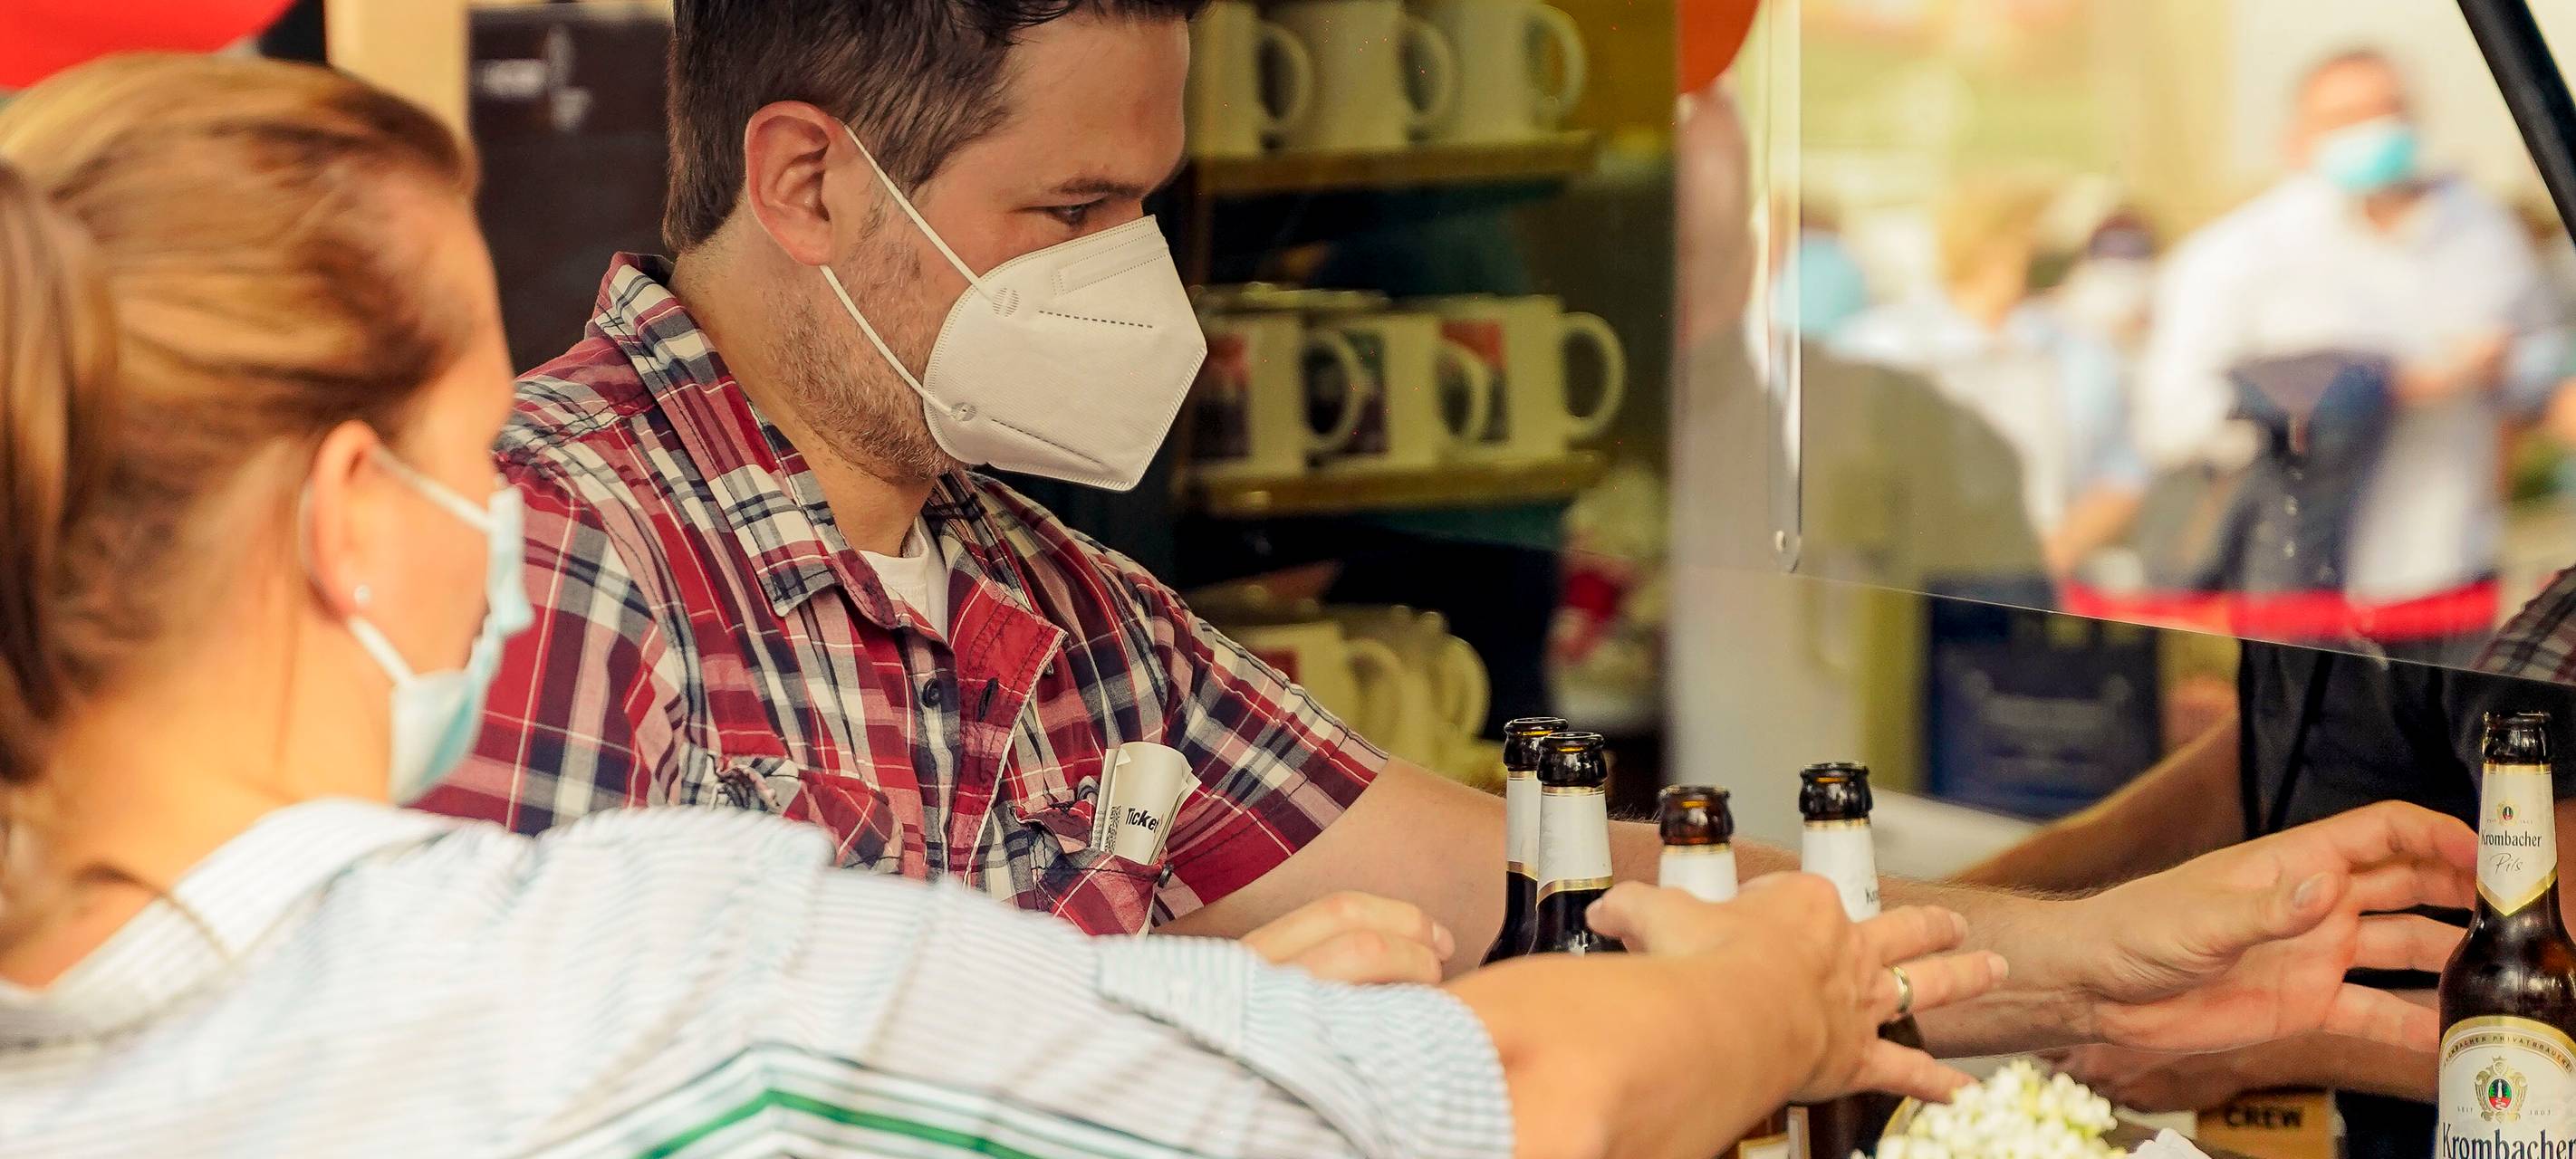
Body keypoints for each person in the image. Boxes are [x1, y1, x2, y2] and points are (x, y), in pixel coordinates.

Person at [0, 52, 2026, 1159]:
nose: (506, 519)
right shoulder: (646, 957)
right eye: (1074, 214)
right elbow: (1520, 1099)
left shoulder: (1054, 594)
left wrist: (1180, 1042)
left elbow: (1503, 888)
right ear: (355, 520)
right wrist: (1768, 994)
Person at [435, 0, 2476, 1069]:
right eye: (1068, 215)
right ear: (806, 177)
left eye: (1149, 205)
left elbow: (1548, 890)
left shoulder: (1059, 602)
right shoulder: (550, 554)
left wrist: (2089, 963)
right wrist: (1222, 1027)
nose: (1136, 279)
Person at [2138, 47, 2570, 666]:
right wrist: (2362, 391)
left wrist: (2501, 369)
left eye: (2388, 109)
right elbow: (2173, 421)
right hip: (2304, 599)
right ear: (2298, 136)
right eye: (2347, 116)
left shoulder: (2482, 233)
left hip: (2451, 579)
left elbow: (2542, 360)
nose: (2373, 129)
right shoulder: (2236, 257)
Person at [1834, 176, 2148, 584]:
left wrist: (2058, 550)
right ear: (1991, 244)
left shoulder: (2083, 352)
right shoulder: (1880, 345)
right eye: (2040, 235)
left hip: (2040, 583)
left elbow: (2121, 471)